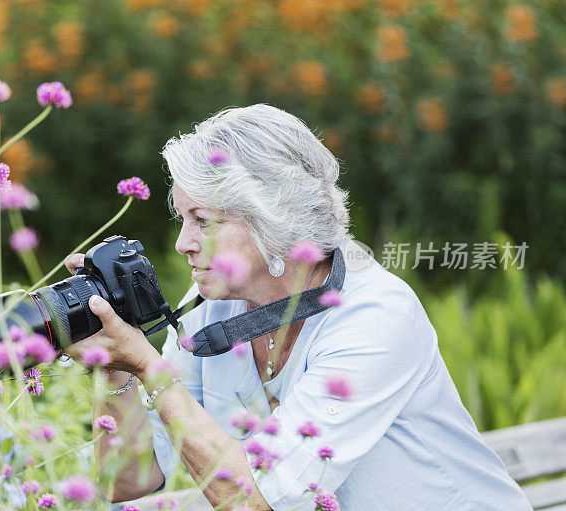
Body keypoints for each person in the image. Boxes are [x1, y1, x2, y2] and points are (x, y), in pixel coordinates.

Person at [65, 105, 531, 510]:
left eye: (203, 221)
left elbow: (255, 500)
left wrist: (149, 365)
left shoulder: (375, 315)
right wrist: (117, 367)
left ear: (275, 220)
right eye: (182, 218)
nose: (183, 243)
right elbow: (127, 482)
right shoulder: (211, 307)